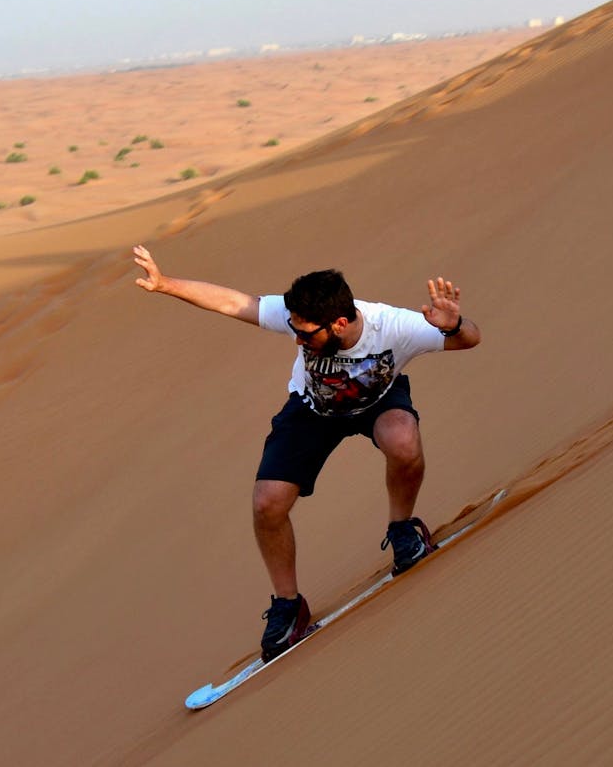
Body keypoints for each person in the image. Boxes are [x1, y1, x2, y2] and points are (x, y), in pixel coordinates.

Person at [132, 244, 481, 661]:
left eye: (305, 333)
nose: (296, 338)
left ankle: (405, 529)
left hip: (378, 401)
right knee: (267, 504)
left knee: (403, 441)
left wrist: (454, 324)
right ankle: (288, 605)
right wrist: (165, 283)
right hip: (312, 410)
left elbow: (469, 340)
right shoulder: (300, 315)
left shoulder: (396, 326)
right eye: (293, 328)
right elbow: (232, 301)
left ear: (338, 322)